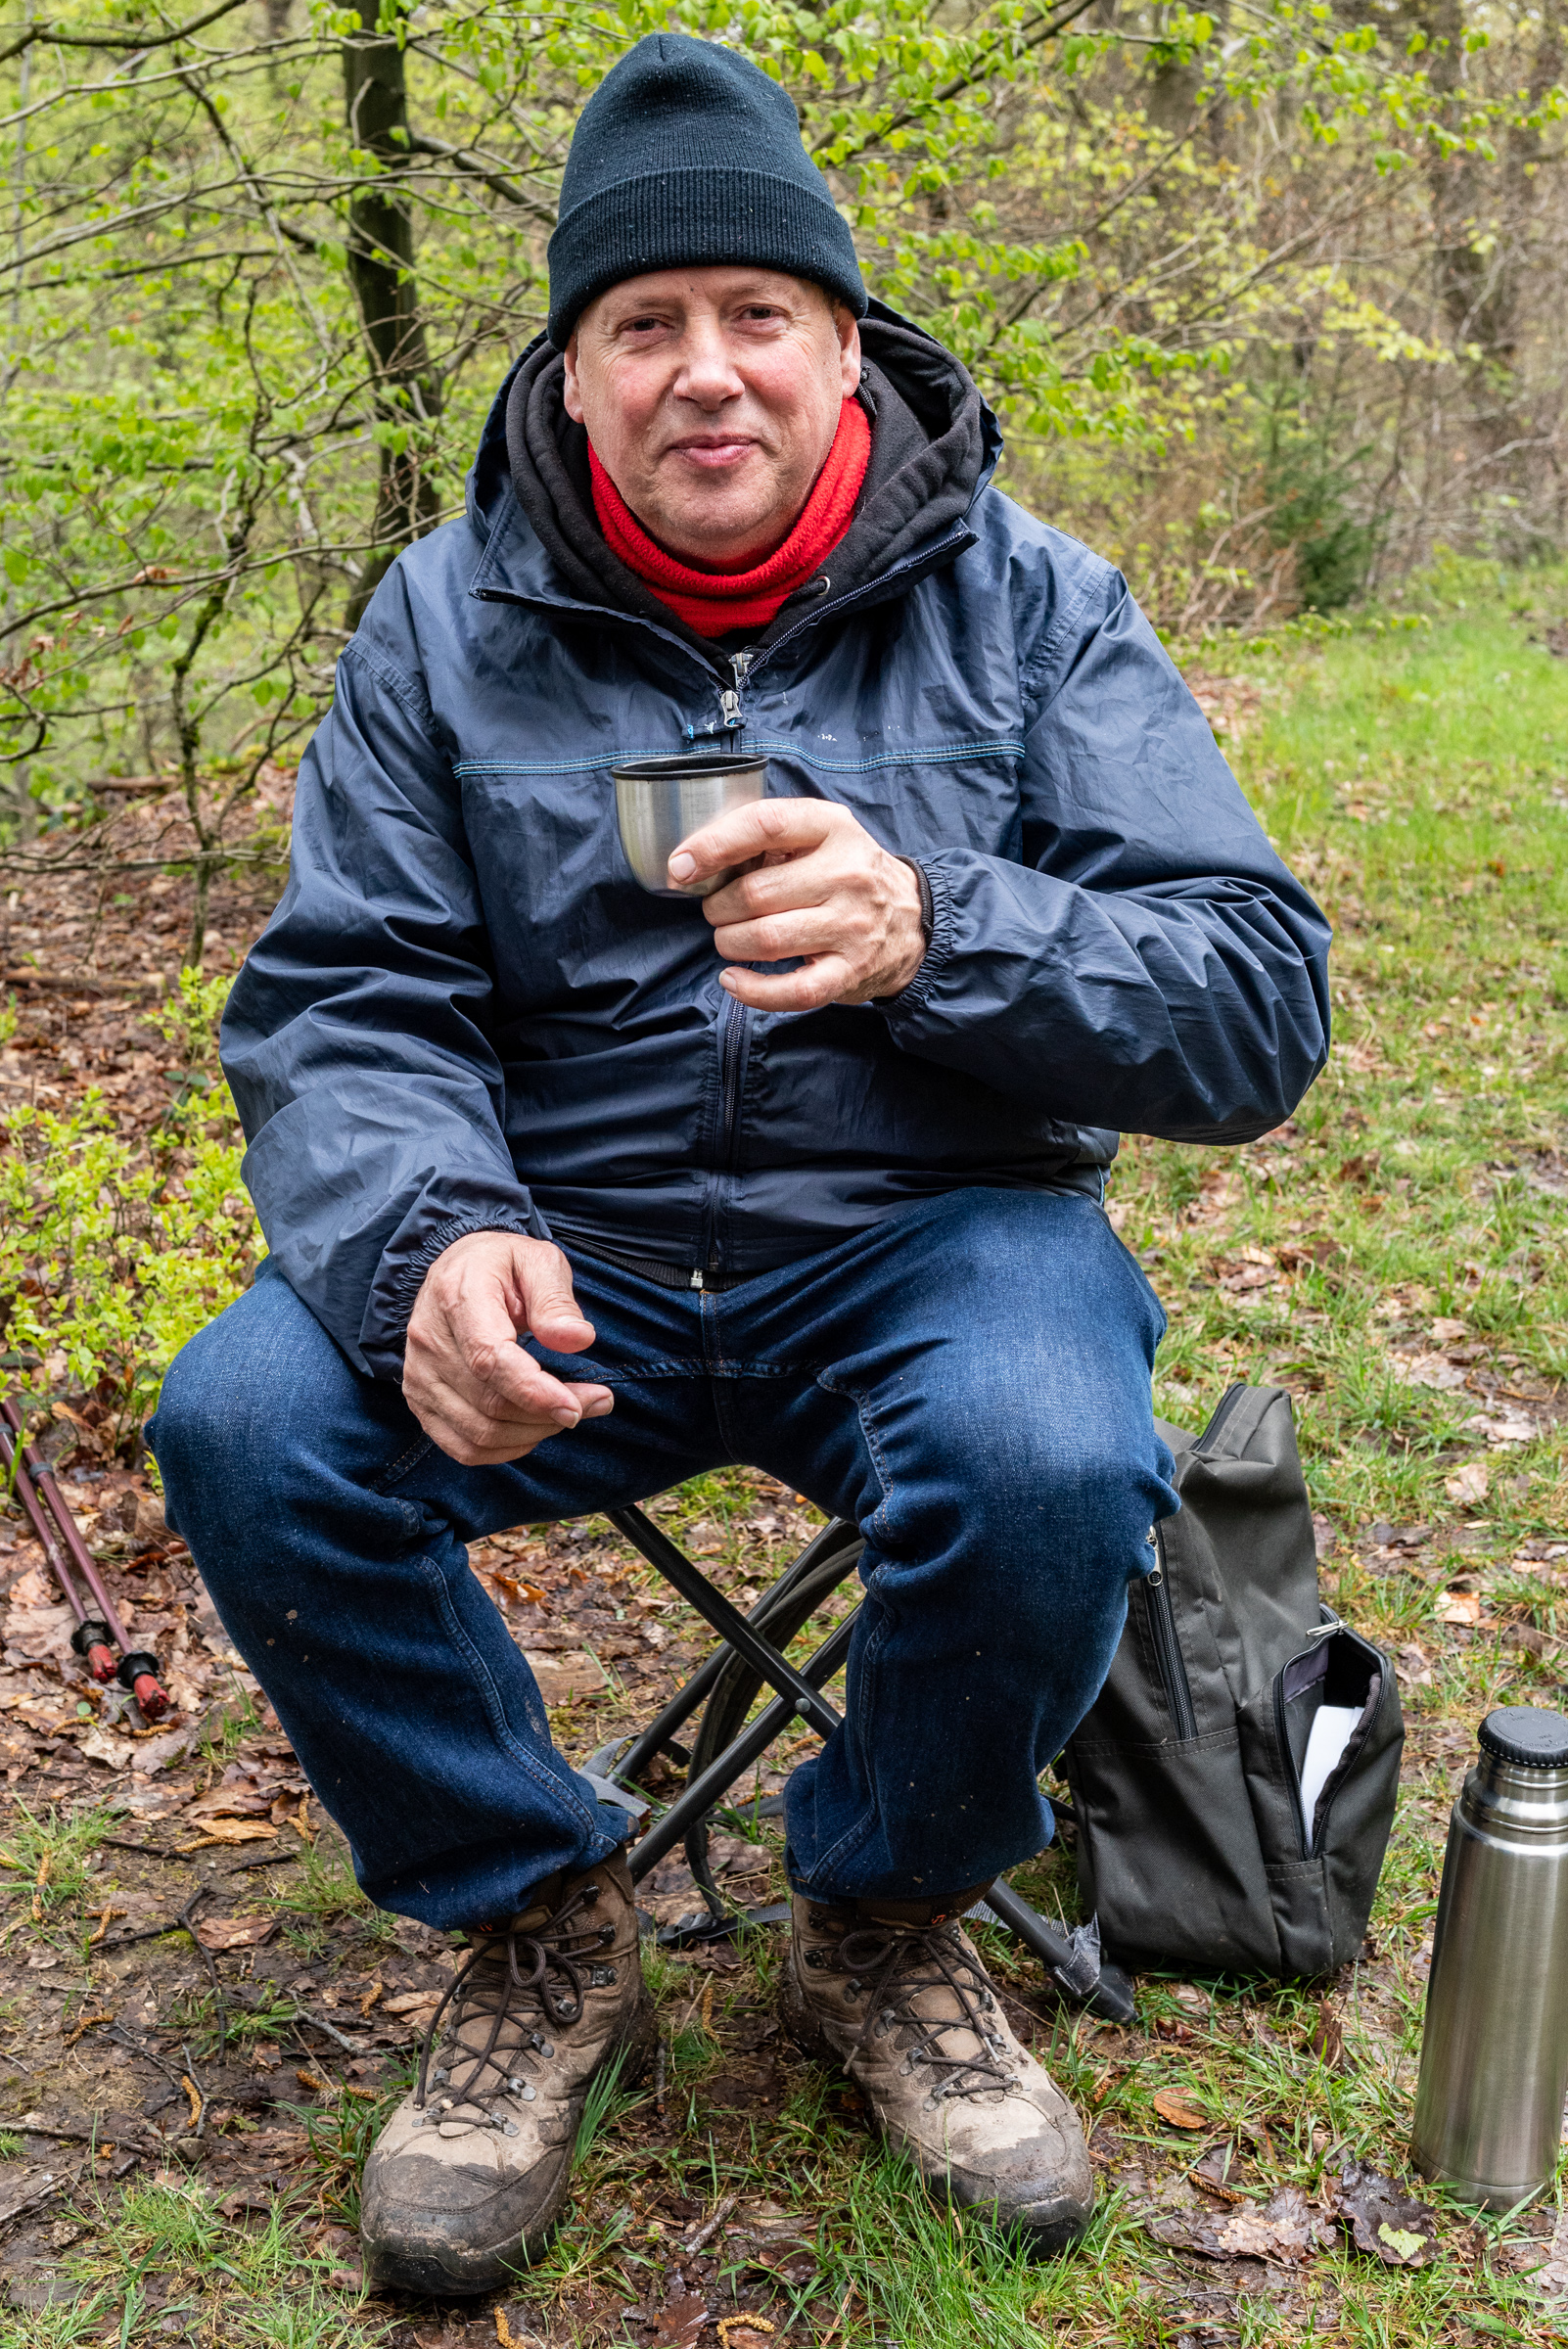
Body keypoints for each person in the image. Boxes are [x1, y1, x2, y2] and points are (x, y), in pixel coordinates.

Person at [150, 32, 1330, 2298]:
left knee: (1045, 1449)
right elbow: (346, 999)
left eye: (756, 314)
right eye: (645, 323)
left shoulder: (1033, 604)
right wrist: (429, 1238)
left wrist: (941, 928)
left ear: (843, 342)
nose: (707, 370)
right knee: (250, 1425)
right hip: (561, 1251)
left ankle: (886, 1912)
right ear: (574, 374)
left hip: (931, 1234)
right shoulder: (443, 623)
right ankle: (534, 1913)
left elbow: (1255, 997)